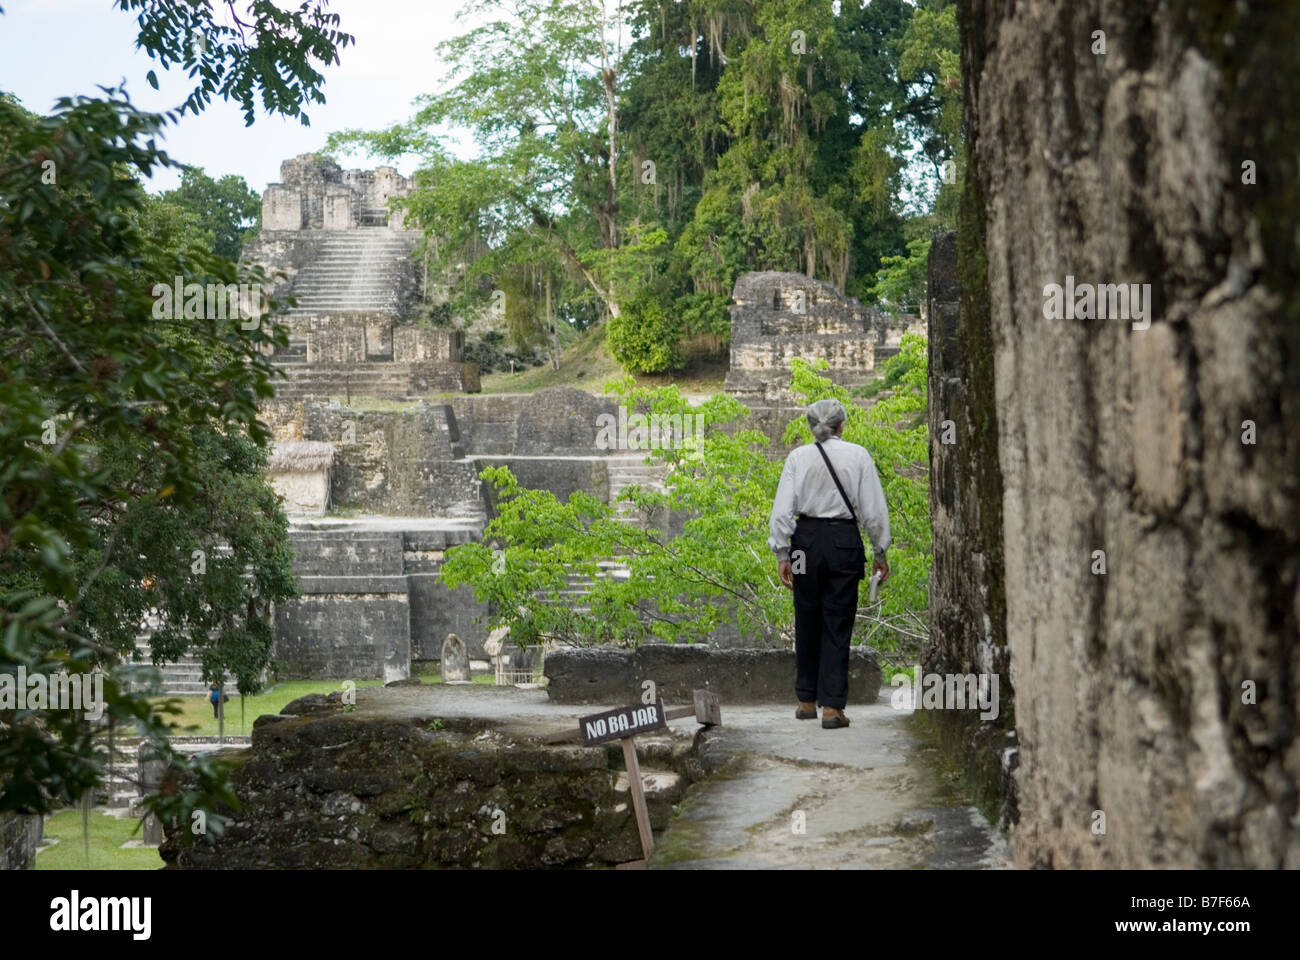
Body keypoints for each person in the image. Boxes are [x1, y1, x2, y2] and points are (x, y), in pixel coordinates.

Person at [768, 398, 891, 729]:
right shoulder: (858, 455)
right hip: (842, 543)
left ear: (811, 426)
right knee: (837, 622)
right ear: (842, 426)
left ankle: (806, 700)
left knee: (805, 616)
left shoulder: (797, 457)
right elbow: (874, 512)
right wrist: (880, 551)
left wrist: (783, 553)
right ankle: (832, 708)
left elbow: (782, 512)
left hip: (804, 544)